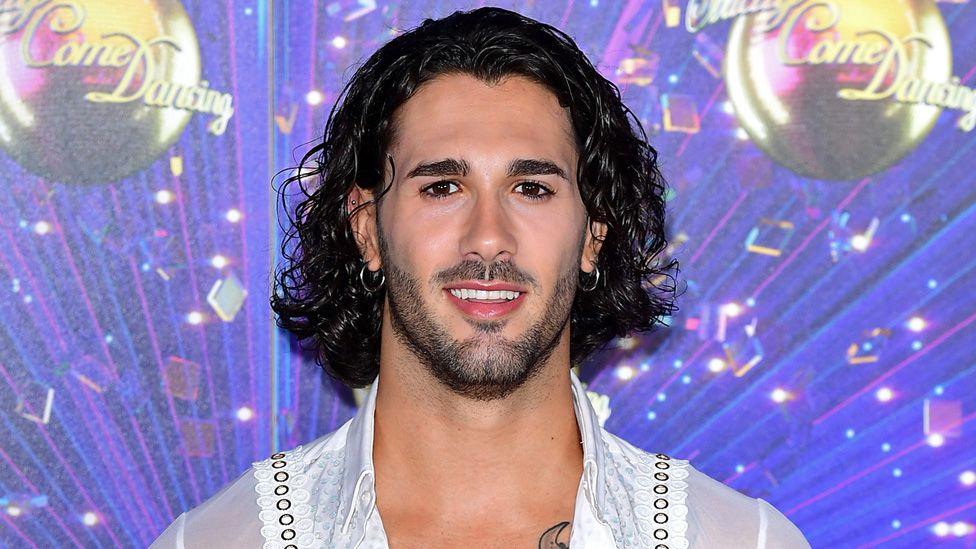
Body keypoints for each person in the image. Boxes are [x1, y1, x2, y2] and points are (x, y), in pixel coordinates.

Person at [152, 6, 811, 548]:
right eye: (442, 186)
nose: (488, 236)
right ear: (366, 228)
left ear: (594, 235)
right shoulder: (219, 540)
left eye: (531, 187)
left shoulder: (739, 539)